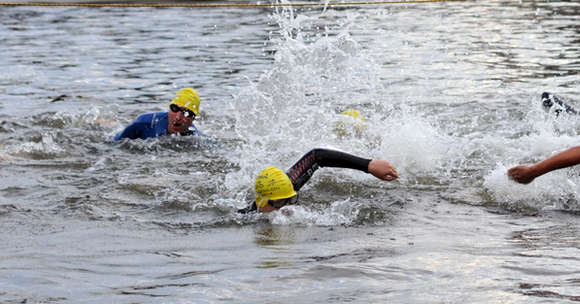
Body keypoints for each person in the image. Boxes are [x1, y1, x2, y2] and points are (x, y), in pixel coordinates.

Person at [240, 148, 399, 213]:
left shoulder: (291, 183)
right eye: (281, 203)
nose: (289, 208)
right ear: (262, 202)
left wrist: (368, 165)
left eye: (292, 199)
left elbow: (317, 156)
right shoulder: (247, 215)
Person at [114, 88, 202, 141]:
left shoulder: (196, 138)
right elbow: (113, 143)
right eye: (175, 109)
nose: (178, 117)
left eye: (185, 113)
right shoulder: (144, 123)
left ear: (193, 118)